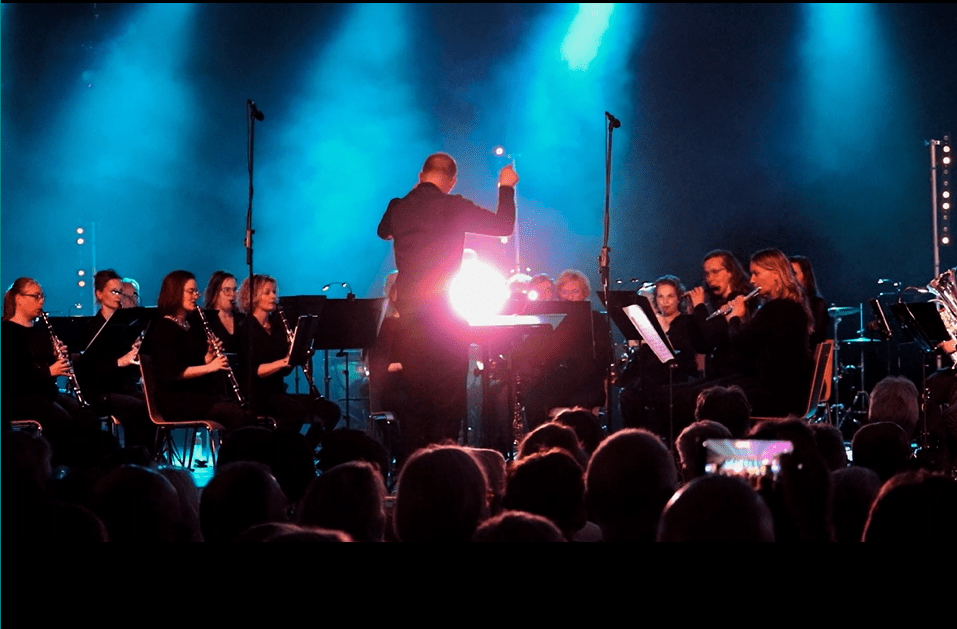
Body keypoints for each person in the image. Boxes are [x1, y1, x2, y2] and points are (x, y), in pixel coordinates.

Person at [377, 152, 518, 458]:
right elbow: (504, 226)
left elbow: (383, 231)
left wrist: (412, 207)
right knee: (448, 405)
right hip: (445, 320)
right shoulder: (454, 206)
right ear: (452, 182)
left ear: (419, 175)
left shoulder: (398, 207)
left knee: (416, 405)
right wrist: (505, 187)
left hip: (411, 322)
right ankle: (446, 474)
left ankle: (412, 477)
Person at [2, 277, 102, 463]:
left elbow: (45, 363)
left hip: (47, 393)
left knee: (87, 416)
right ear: (19, 299)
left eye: (42, 296)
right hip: (20, 397)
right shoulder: (6, 333)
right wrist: (49, 371)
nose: (42, 301)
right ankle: (59, 469)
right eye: (36, 296)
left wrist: (56, 355)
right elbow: (13, 375)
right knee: (61, 421)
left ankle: (88, 468)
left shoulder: (41, 329)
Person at [140, 270, 247, 431]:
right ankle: (233, 455)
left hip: (195, 395)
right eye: (190, 291)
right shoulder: (164, 329)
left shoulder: (189, 325)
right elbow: (171, 373)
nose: (195, 296)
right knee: (233, 414)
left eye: (196, 291)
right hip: (175, 400)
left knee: (244, 410)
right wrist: (210, 367)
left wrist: (208, 358)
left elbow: (190, 362)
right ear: (175, 293)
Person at [73, 269, 153, 451]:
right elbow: (88, 372)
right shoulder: (90, 328)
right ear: (99, 294)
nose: (119, 296)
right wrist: (120, 362)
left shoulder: (125, 326)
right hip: (98, 392)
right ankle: (136, 456)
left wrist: (136, 354)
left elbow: (128, 372)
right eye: (114, 292)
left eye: (120, 292)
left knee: (154, 402)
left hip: (122, 388)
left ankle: (151, 453)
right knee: (139, 408)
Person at [618, 275, 700, 437]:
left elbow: (685, 352)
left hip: (676, 374)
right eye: (660, 296)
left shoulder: (686, 321)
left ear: (678, 298)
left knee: (649, 392)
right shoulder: (650, 322)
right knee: (628, 393)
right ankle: (634, 439)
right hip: (649, 377)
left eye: (670, 296)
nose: (665, 301)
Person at [235, 273, 308, 434]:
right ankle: (279, 450)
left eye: (274, 292)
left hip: (278, 391)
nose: (273, 296)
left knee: (328, 410)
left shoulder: (277, 328)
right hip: (258, 396)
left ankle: (306, 450)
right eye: (267, 293)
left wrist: (297, 353)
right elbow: (256, 371)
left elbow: (286, 370)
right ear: (253, 296)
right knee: (295, 410)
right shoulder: (245, 329)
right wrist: (283, 361)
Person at [687, 250, 754, 379]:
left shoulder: (738, 300)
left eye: (715, 272)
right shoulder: (718, 303)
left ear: (730, 272)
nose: (710, 279)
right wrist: (692, 313)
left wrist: (699, 306)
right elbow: (702, 346)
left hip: (735, 376)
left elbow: (710, 336)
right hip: (719, 374)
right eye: (707, 274)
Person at [789, 255, 831, 348]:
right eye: (787, 274)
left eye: (794, 273)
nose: (790, 278)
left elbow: (817, 338)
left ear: (806, 276)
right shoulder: (785, 302)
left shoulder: (817, 303)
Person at [203, 271, 243, 355]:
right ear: (215, 293)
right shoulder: (206, 319)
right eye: (227, 290)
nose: (232, 294)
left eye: (235, 290)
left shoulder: (242, 319)